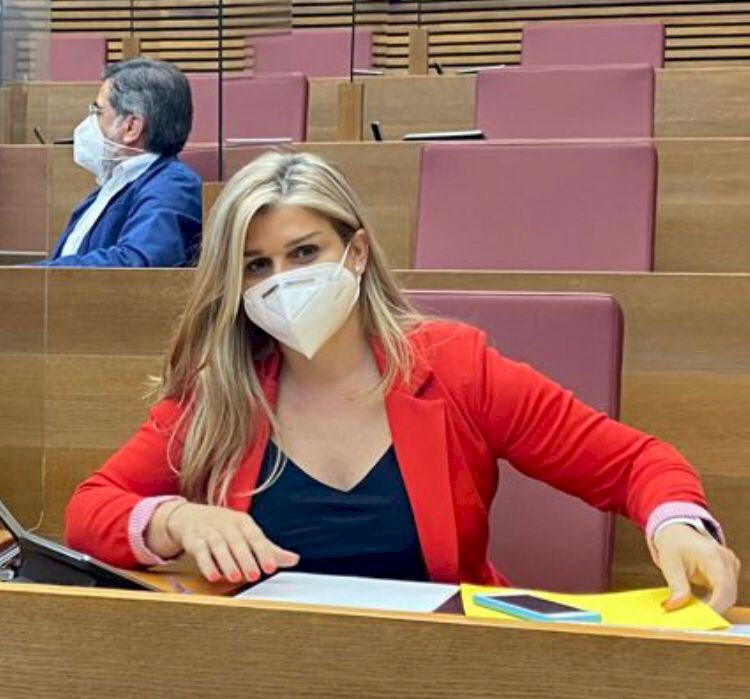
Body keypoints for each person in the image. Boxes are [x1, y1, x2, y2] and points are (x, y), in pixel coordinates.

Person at [65, 152, 740, 612]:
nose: (282, 280)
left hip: (441, 662)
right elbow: (91, 509)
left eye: (305, 253)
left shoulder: (456, 366)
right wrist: (177, 518)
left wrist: (678, 526)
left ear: (355, 253)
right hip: (270, 663)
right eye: (256, 265)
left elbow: (635, 463)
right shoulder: (221, 389)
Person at [39, 58, 202, 267]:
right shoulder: (115, 184)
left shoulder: (172, 186)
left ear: (131, 127)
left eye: (97, 112)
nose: (89, 122)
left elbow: (136, 264)